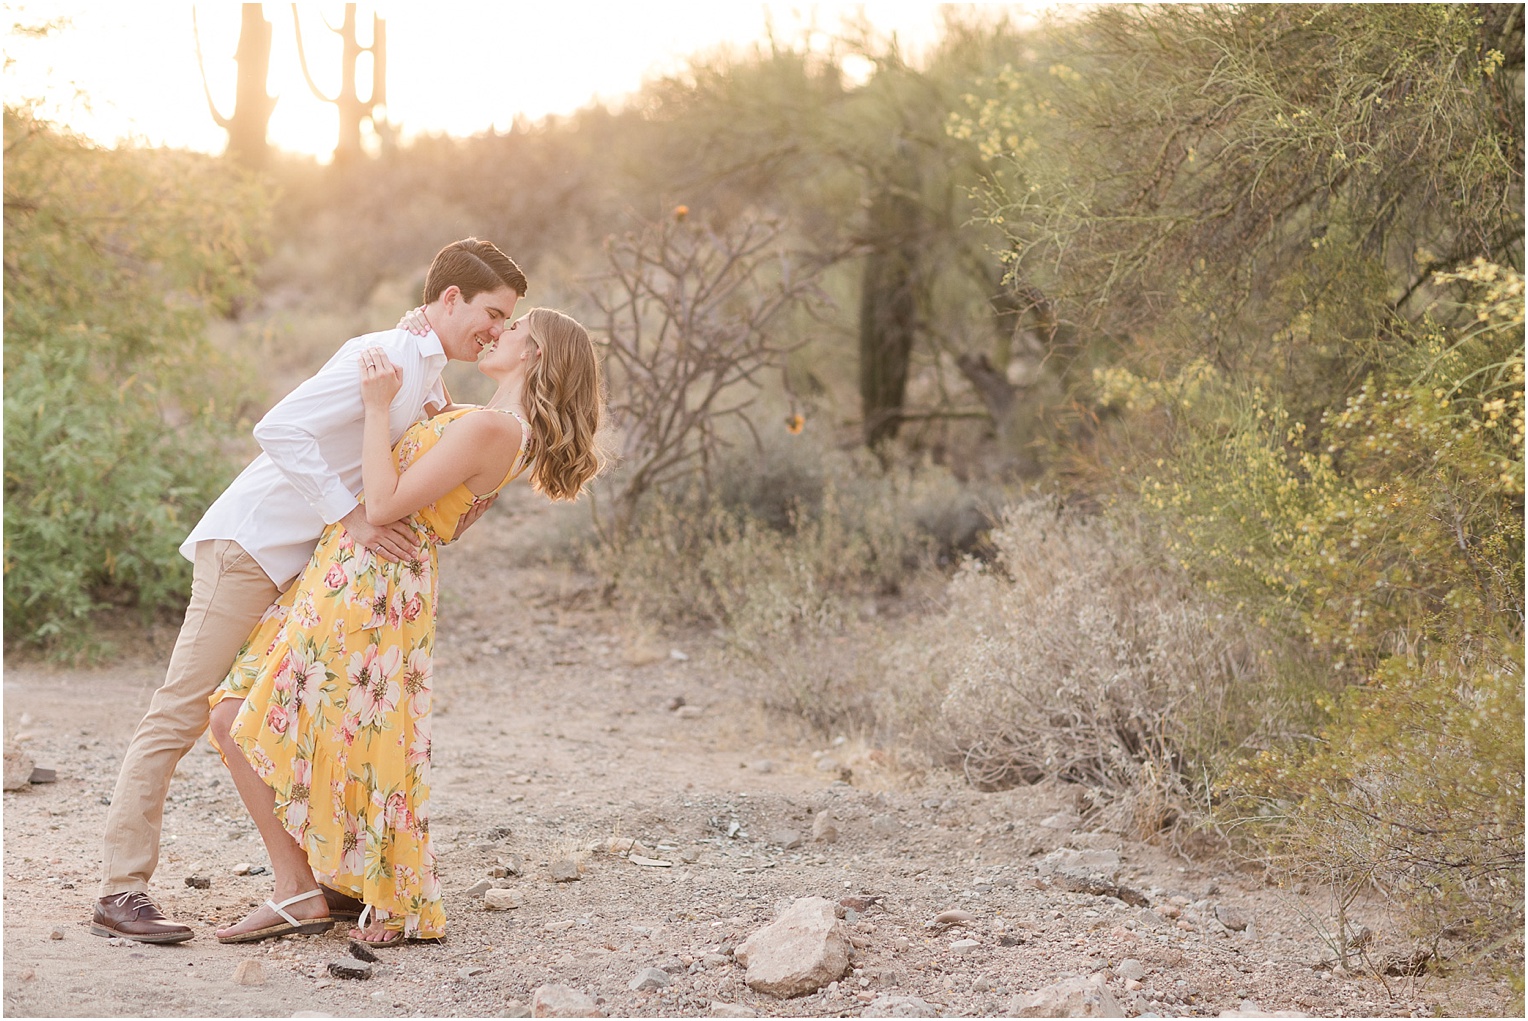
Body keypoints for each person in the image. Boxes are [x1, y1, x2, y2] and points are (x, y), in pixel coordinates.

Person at [92, 239, 527, 944]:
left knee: (294, 709)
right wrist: (349, 514)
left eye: (509, 322)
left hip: (302, 562)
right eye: (492, 313)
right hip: (252, 544)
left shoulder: (428, 371)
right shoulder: (380, 353)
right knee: (182, 708)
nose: (499, 331)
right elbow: (279, 427)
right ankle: (121, 886)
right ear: (450, 299)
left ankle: (320, 880)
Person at [205, 307, 605, 946]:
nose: (498, 332)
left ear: (535, 354)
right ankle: (319, 883)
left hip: (373, 583)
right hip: (352, 570)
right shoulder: (481, 421)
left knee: (327, 730)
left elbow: (387, 503)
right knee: (241, 713)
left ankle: (327, 891)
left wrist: (375, 405)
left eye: (513, 328)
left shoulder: (498, 429)